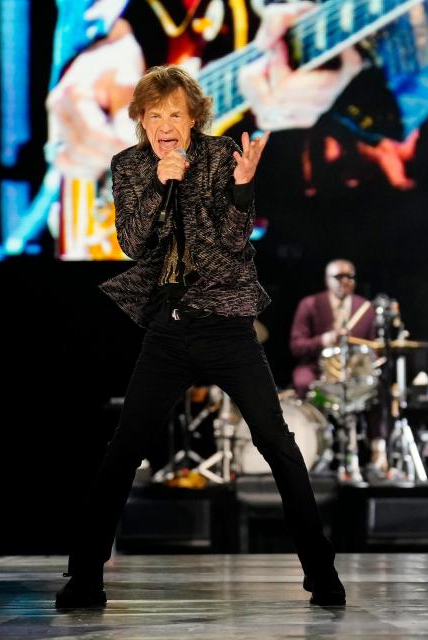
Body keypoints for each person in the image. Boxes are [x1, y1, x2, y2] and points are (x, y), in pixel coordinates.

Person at [55, 65, 346, 609]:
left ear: (193, 121)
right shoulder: (130, 166)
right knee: (124, 451)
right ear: (142, 120)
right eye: (155, 113)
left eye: (176, 114)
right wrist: (164, 184)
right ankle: (85, 576)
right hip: (168, 328)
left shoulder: (219, 157)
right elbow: (133, 243)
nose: (166, 123)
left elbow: (233, 244)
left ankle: (321, 572)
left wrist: (240, 193)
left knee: (278, 445)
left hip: (227, 325)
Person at [289, 259, 388, 473]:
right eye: (338, 277)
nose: (344, 281)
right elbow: (296, 346)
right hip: (317, 368)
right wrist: (325, 340)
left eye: (349, 277)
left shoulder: (365, 308)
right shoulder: (310, 305)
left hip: (354, 372)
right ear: (327, 280)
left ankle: (378, 450)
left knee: (379, 387)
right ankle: (312, 447)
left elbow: (373, 348)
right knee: (303, 381)